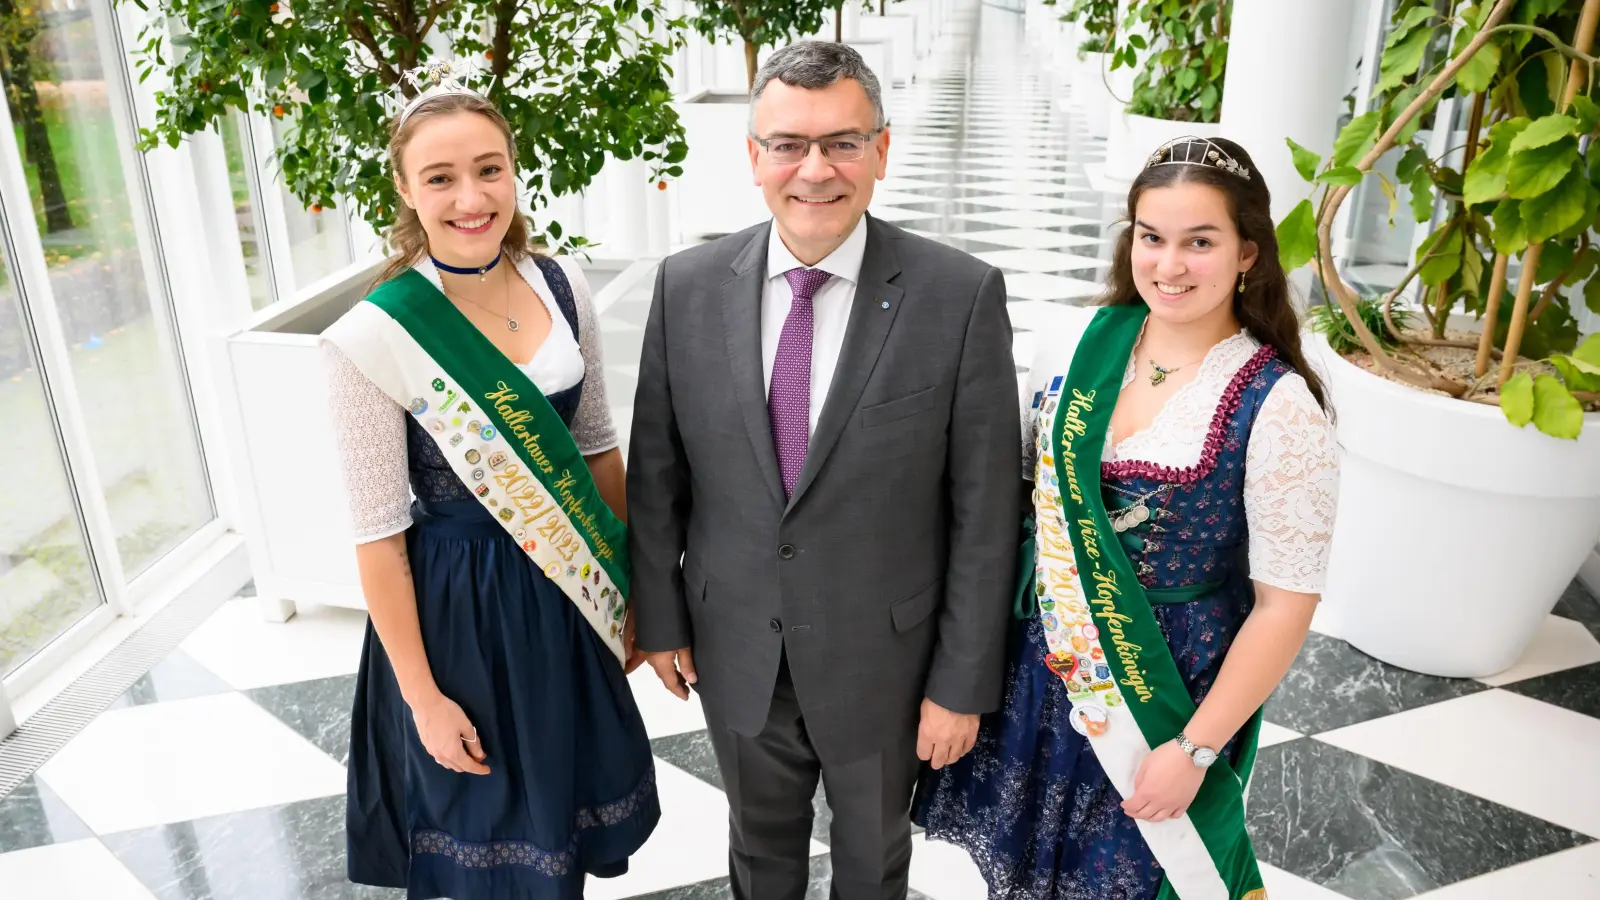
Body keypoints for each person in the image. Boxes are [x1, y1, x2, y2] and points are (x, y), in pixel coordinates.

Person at [626, 41, 1021, 900]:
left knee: (873, 858)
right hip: (735, 650)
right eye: (788, 145)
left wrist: (961, 684)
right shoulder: (686, 287)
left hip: (887, 662)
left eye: (842, 142)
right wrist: (658, 618)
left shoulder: (959, 296)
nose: (815, 170)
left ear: (882, 149)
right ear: (753, 157)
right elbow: (658, 472)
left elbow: (987, 514)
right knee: (757, 853)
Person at [912, 137, 1340, 900]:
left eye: (1199, 242)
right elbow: (1012, 507)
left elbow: (1286, 606)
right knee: (1028, 872)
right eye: (1152, 237)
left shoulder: (1278, 406)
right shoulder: (1075, 342)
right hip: (1043, 667)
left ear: (1248, 252)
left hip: (1165, 694)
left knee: (1133, 879)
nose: (1169, 265)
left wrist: (1197, 748)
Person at [320, 63, 658, 899]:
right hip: (457, 619)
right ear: (404, 188)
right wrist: (423, 698)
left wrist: (625, 593)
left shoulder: (559, 282)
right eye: (441, 177)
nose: (471, 197)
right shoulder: (374, 337)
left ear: (513, 171)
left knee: (560, 837)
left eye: (489, 169)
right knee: (486, 845)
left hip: (567, 595)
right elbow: (375, 536)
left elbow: (597, 449)